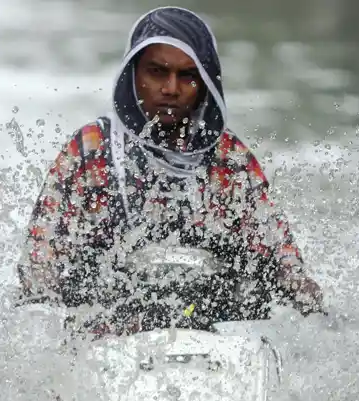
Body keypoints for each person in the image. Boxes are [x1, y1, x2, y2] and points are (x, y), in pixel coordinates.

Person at [16, 6, 325, 334]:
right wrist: (40, 317)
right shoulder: (90, 151)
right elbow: (42, 253)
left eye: (187, 76)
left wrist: (311, 306)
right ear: (133, 74)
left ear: (205, 83)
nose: (171, 89)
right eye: (157, 72)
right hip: (103, 339)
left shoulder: (231, 161)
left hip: (211, 338)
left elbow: (279, 253)